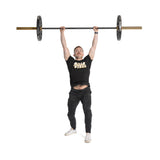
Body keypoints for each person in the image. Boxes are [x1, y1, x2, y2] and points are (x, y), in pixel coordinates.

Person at [60, 26, 98, 143]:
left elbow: (93, 46)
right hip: (74, 92)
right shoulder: (70, 61)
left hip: (86, 91)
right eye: (76, 50)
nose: (79, 51)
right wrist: (62, 32)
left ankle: (88, 133)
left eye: (80, 50)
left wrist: (96, 32)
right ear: (74, 53)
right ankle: (73, 128)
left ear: (83, 53)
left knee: (87, 111)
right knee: (70, 112)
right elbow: (64, 46)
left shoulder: (88, 60)